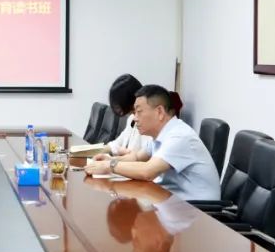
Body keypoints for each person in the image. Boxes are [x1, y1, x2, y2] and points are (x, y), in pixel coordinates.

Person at [85, 84, 219, 201]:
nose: (135, 118)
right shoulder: (160, 134)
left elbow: (148, 171)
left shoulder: (179, 136)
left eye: (139, 112)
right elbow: (136, 157)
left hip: (198, 212)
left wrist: (110, 165)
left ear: (159, 112)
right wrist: (110, 159)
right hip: (172, 202)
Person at [102, 74, 153, 155]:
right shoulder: (131, 118)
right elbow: (116, 144)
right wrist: (92, 150)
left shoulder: (149, 121)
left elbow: (142, 157)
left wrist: (121, 153)